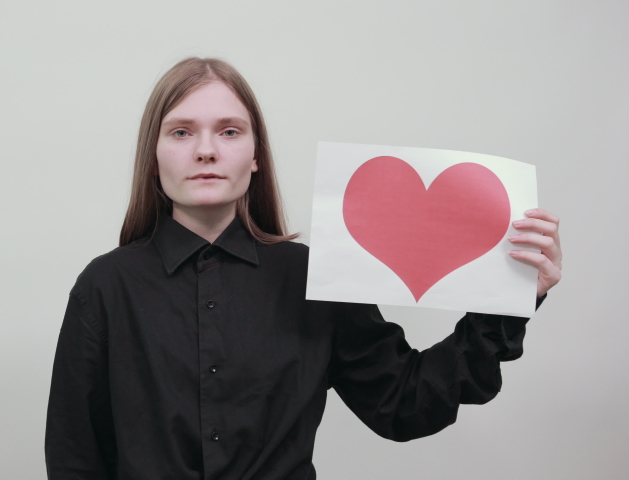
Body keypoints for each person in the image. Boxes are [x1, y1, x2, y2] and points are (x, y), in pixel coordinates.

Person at [44, 57, 563, 479]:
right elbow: (75, 459)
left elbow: (404, 402)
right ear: (153, 156)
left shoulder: (315, 278)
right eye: (181, 132)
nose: (205, 150)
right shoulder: (104, 287)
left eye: (228, 131)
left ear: (255, 156)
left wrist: (511, 297)